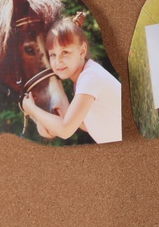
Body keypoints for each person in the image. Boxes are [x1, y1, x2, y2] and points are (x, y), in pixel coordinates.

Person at [22, 15, 121, 144]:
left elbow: (65, 130)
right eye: (53, 55)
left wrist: (32, 109)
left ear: (82, 51)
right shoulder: (82, 80)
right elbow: (88, 125)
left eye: (65, 52)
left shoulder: (90, 77)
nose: (58, 61)